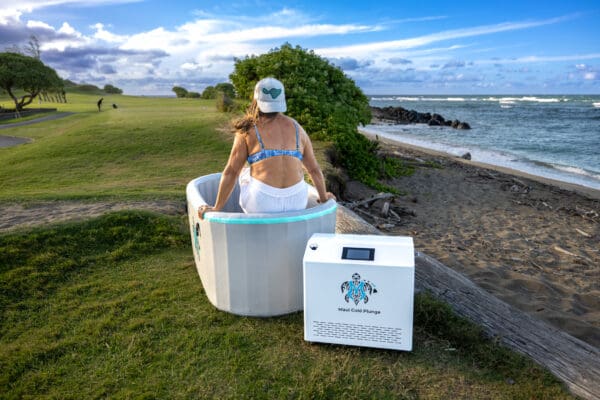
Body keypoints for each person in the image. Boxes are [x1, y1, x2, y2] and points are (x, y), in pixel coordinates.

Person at [198, 77, 335, 219]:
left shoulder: (248, 129)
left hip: (262, 203)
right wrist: (324, 197)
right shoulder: (297, 127)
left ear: (256, 100)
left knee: (244, 172)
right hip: (297, 201)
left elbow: (231, 172)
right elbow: (314, 169)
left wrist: (216, 208)